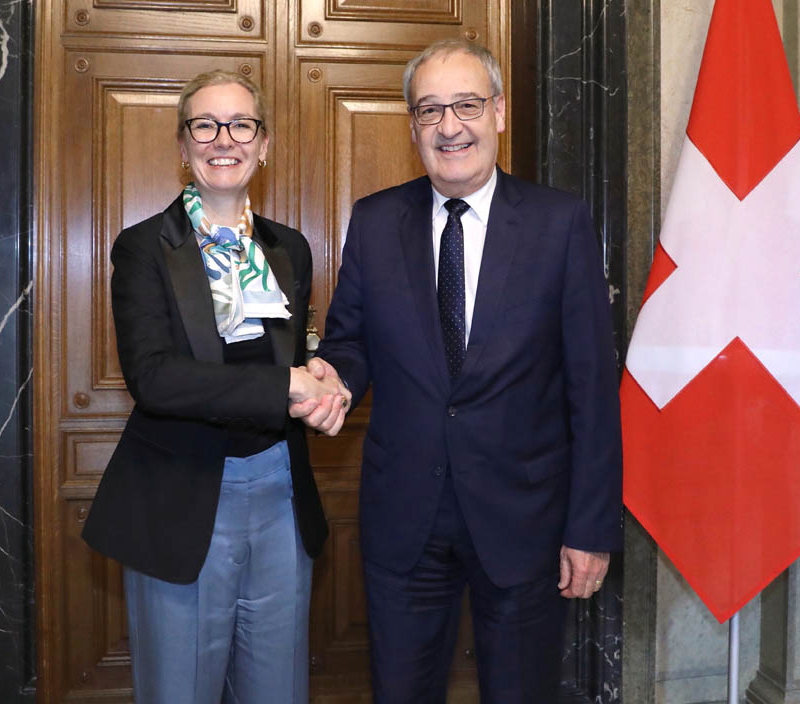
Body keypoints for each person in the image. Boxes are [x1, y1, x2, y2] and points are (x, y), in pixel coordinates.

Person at [293, 40, 623, 702]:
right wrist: (337, 376)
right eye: (430, 110)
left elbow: (592, 386)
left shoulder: (560, 224)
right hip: (405, 517)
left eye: (467, 105)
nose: (450, 127)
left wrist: (590, 528)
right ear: (413, 125)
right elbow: (353, 339)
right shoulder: (376, 219)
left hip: (525, 520)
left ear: (498, 112)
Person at [82, 70, 348, 703]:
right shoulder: (144, 247)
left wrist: (320, 376)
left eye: (241, 125)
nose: (223, 139)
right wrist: (284, 384)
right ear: (183, 145)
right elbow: (156, 380)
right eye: (205, 124)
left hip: (282, 491)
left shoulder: (290, 250)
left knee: (277, 690)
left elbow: (293, 346)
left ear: (264, 144)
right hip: (183, 499)